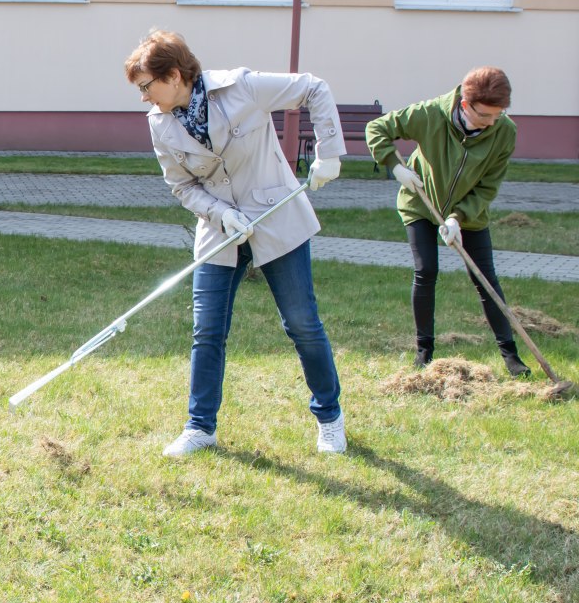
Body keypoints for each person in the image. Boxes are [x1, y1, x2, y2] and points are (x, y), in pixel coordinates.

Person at [123, 29, 347, 458]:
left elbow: (314, 88)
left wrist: (329, 152)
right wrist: (220, 214)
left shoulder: (241, 86)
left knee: (301, 323)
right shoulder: (159, 123)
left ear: (173, 75)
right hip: (219, 231)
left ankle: (330, 417)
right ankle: (200, 427)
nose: (144, 98)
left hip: (275, 216)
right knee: (207, 330)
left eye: (147, 87)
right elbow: (182, 187)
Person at [365, 67, 528, 377]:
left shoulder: (505, 131)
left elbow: (488, 185)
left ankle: (511, 357)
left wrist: (458, 217)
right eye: (484, 116)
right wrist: (395, 167)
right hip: (421, 203)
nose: (491, 122)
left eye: (498, 114)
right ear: (465, 106)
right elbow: (377, 128)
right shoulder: (430, 114)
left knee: (485, 278)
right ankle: (424, 352)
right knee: (426, 270)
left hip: (469, 213)